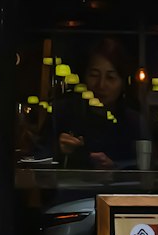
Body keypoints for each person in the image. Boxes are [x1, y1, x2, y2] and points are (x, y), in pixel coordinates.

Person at [55, 38, 144, 169]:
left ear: (123, 83)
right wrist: (58, 149)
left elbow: (146, 166)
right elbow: (37, 157)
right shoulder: (63, 112)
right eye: (94, 75)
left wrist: (116, 168)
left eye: (110, 77)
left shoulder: (134, 122)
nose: (101, 85)